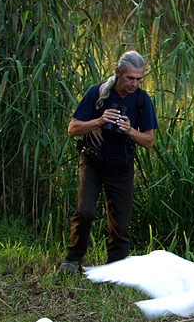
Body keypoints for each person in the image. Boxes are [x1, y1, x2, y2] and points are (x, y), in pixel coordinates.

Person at [59, 51, 158, 274]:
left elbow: (149, 141)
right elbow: (72, 129)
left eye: (139, 79)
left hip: (121, 166)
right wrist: (99, 121)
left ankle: (115, 270)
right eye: (130, 78)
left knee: (120, 224)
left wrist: (130, 130)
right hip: (92, 160)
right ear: (118, 72)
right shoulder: (97, 92)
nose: (134, 83)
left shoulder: (142, 100)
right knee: (84, 212)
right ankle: (73, 260)